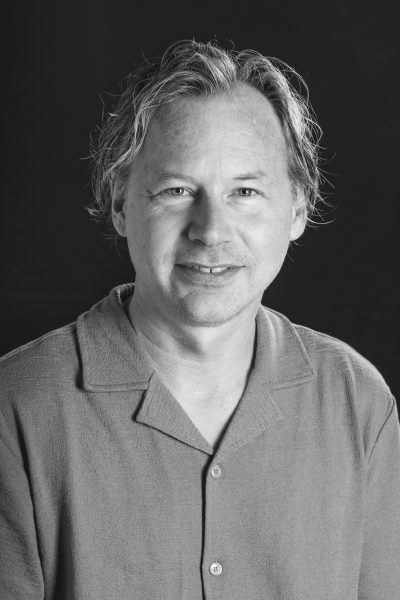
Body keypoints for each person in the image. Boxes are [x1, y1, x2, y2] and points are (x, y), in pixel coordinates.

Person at [1, 39, 399, 600]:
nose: (210, 231)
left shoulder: (359, 402)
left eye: (245, 191)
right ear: (120, 204)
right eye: (178, 190)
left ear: (297, 209)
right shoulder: (16, 407)